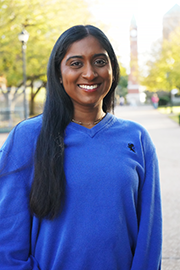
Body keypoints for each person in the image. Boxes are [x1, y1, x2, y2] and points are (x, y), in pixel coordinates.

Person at [0, 25, 162, 269]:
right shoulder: (28, 136)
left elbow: (149, 236)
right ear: (58, 72)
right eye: (76, 63)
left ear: (113, 70)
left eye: (99, 61)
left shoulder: (137, 138)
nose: (89, 73)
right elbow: (7, 238)